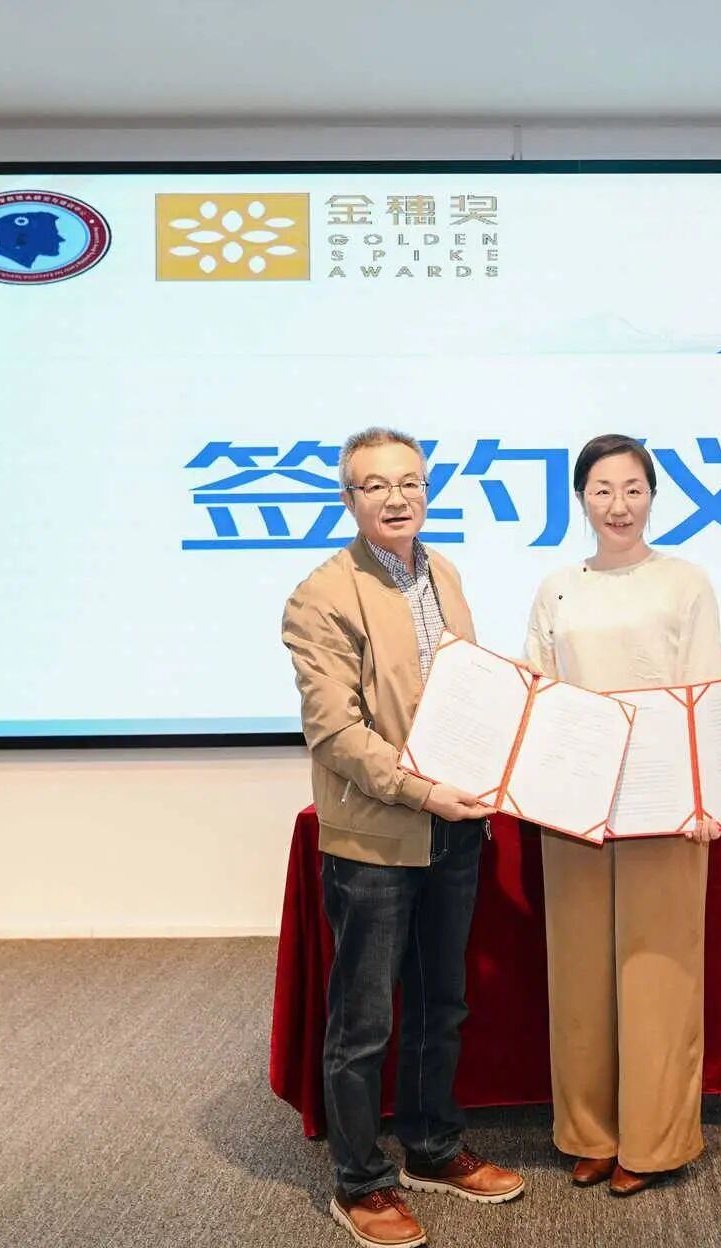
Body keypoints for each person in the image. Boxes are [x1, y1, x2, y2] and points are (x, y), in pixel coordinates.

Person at [283, 427, 525, 1248]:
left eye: (411, 482)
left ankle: (432, 1147)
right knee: (364, 1023)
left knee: (440, 1002)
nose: (397, 498)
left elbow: (466, 691)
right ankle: (360, 1183)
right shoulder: (321, 595)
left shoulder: (443, 573)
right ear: (348, 499)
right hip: (377, 840)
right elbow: (335, 732)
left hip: (456, 826)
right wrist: (424, 791)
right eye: (376, 485)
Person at [523, 432, 721, 1197]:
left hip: (663, 799)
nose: (619, 505)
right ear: (581, 498)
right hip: (574, 800)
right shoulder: (556, 588)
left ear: (653, 496)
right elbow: (537, 689)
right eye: (603, 490)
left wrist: (703, 794)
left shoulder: (685, 582)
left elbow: (705, 688)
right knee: (578, 973)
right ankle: (591, 1134)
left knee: (658, 974)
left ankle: (654, 1140)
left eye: (633, 489)